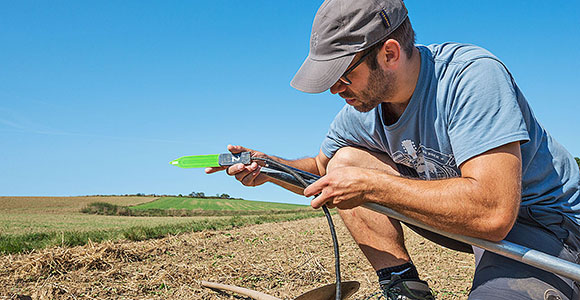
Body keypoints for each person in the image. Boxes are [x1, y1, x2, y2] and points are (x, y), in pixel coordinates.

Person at [206, 0, 580, 299]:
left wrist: (371, 186)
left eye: (343, 75)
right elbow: (322, 170)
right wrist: (268, 168)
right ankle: (404, 289)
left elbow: (494, 212)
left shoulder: (471, 77)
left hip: (544, 226)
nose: (336, 89)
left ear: (389, 53)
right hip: (466, 222)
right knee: (344, 160)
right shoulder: (362, 110)